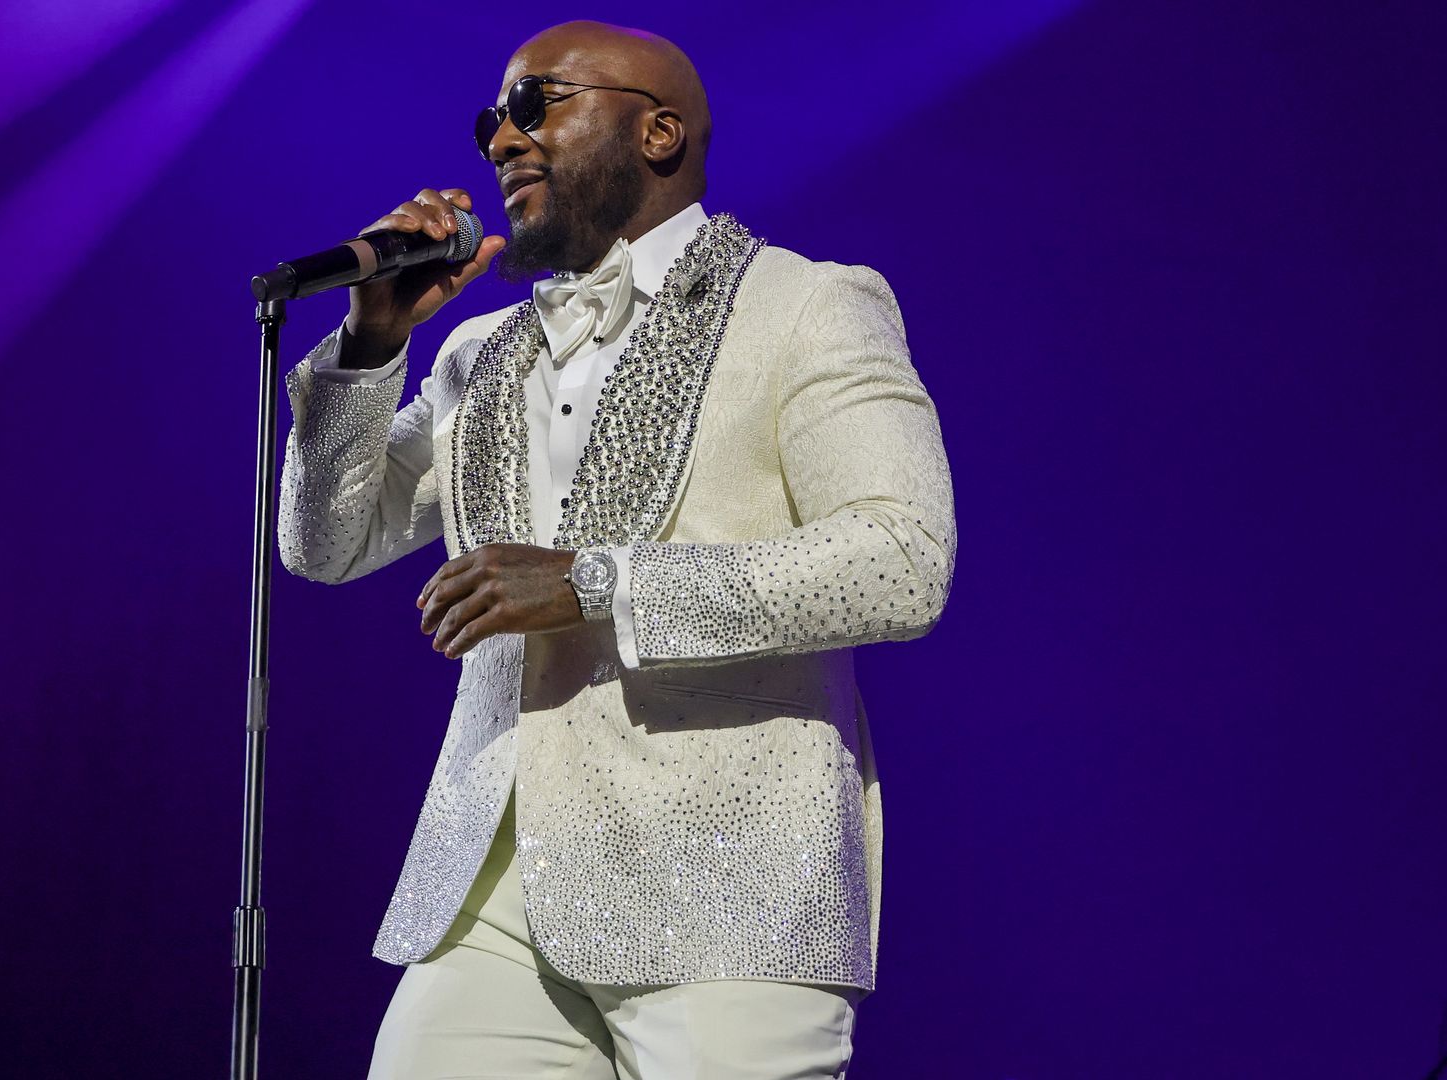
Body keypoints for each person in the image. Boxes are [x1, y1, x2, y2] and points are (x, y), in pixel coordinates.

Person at [278, 20, 955, 1079]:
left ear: (658, 132)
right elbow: (324, 543)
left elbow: (901, 558)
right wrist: (372, 344)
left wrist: (597, 583)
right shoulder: (479, 353)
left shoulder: (805, 305)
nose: (502, 139)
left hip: (729, 884)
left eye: (536, 103)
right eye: (491, 119)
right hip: (497, 884)